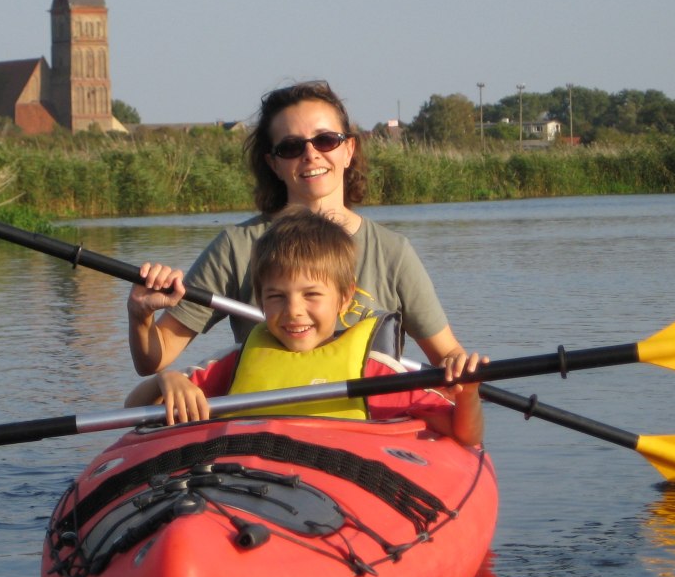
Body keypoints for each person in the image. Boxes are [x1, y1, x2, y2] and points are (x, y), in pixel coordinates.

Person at [127, 80, 472, 384]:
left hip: (366, 434)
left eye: (325, 140)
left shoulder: (393, 252)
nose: (310, 154)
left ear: (349, 150)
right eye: (291, 147)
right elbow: (153, 360)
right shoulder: (237, 248)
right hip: (266, 432)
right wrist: (142, 315)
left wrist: (461, 367)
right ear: (274, 164)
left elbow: (446, 357)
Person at [125, 211, 484, 446]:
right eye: (276, 296)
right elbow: (133, 410)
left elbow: (463, 435)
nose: (294, 311)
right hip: (244, 486)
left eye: (312, 295)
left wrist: (468, 394)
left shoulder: (373, 371)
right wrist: (166, 381)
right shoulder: (234, 363)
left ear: (345, 299)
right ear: (261, 301)